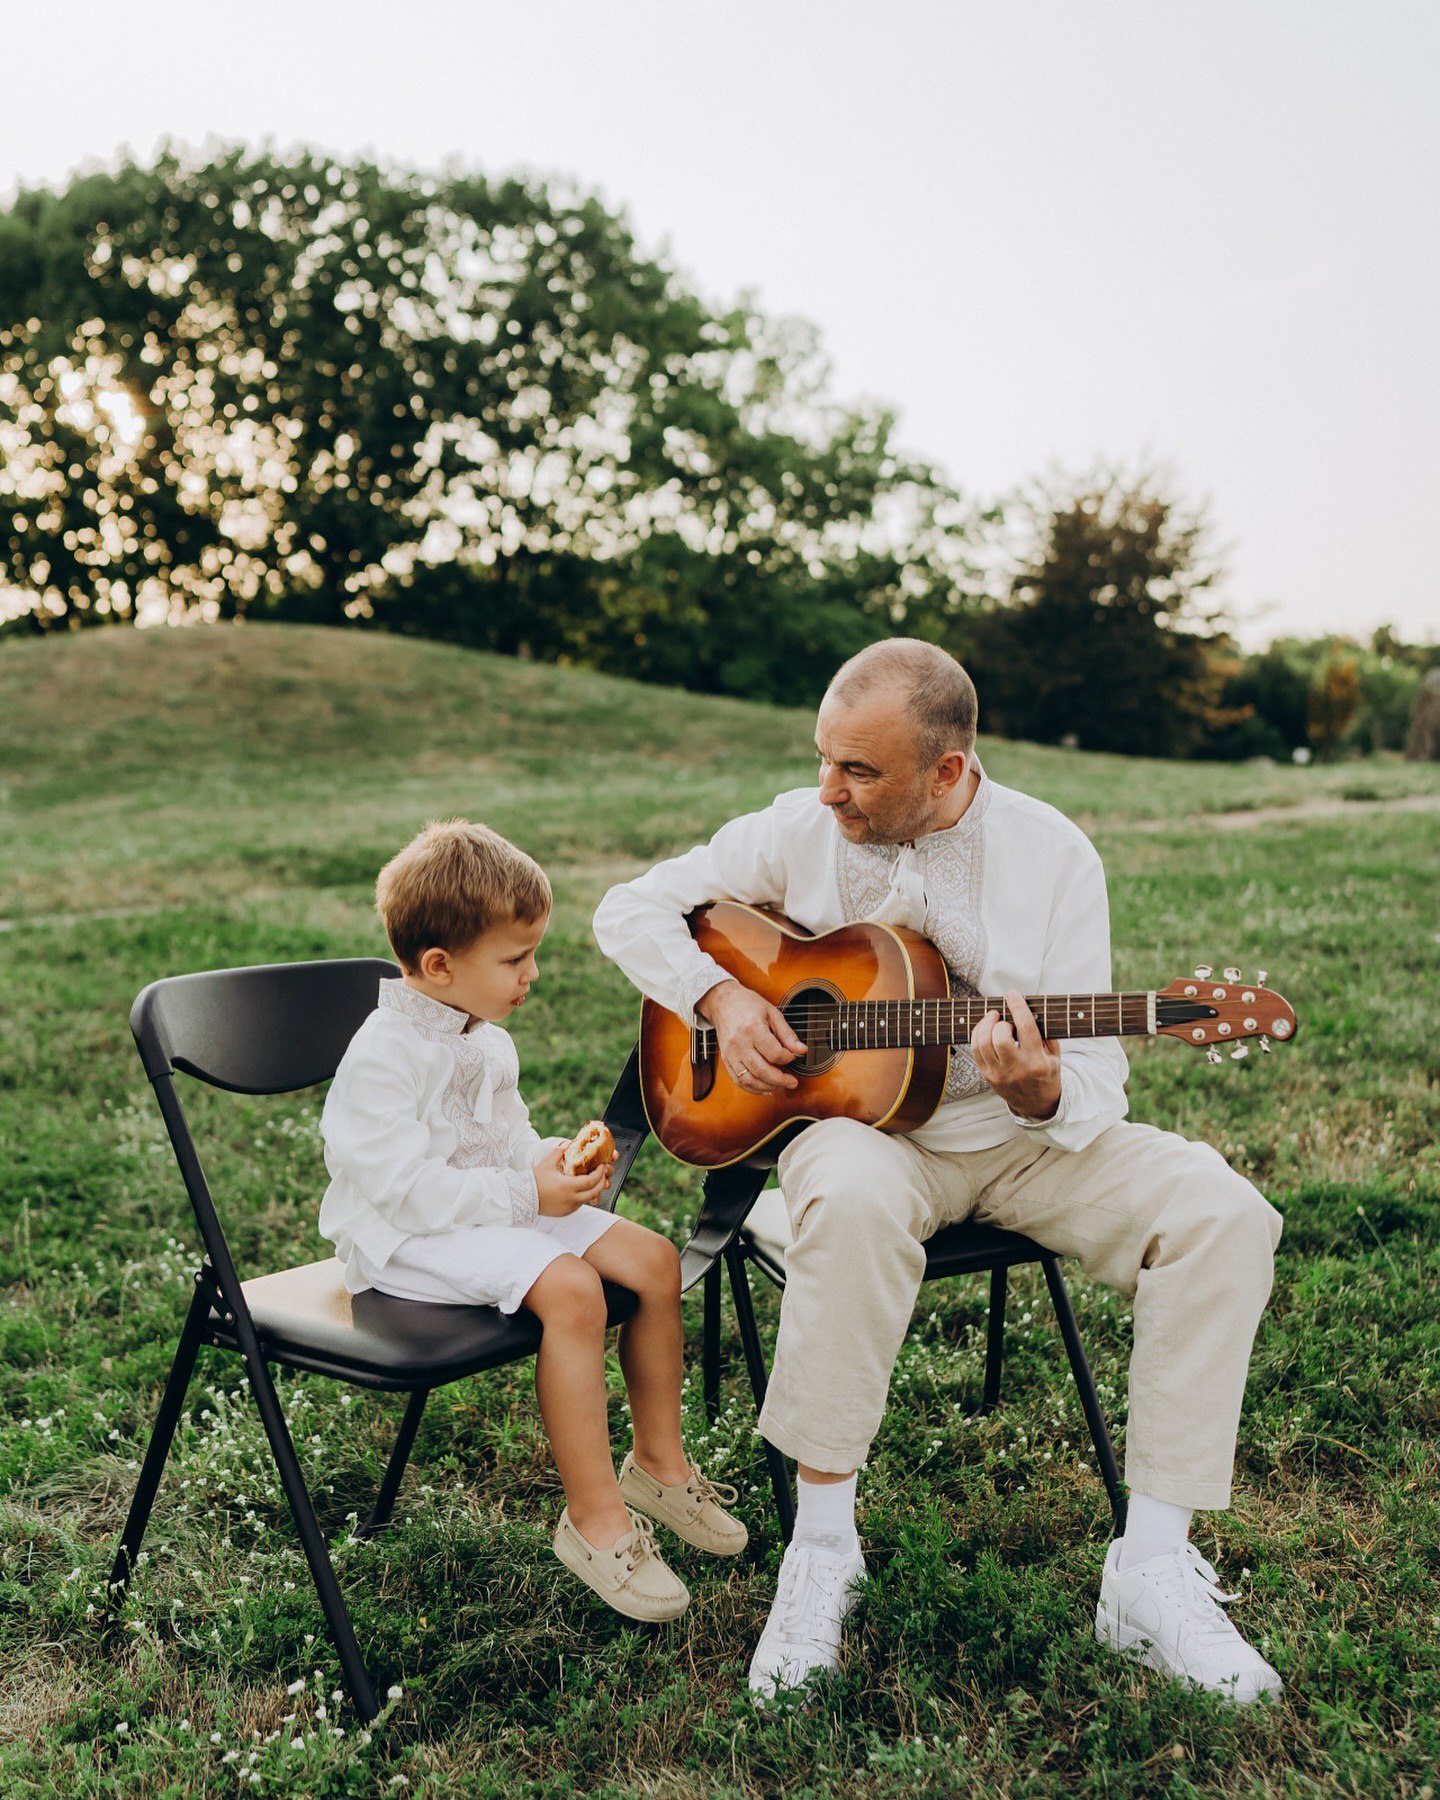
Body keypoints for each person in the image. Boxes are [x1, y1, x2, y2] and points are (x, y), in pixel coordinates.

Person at [593, 639, 1284, 1702]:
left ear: (949, 771)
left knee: (1223, 1215)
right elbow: (628, 909)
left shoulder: (1053, 858)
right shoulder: (799, 826)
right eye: (824, 759)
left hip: (1018, 1143)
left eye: (859, 771)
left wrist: (1039, 1089)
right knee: (854, 1201)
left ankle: (1149, 1568)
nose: (829, 791)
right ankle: (822, 1547)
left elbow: (1093, 1080)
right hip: (866, 1138)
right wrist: (721, 999)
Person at [320, 819, 746, 1622]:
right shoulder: (384, 1055)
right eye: (515, 960)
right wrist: (527, 1198)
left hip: (490, 1217)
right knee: (574, 1290)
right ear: (441, 967)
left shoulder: (488, 1040)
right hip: (402, 1239)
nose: (533, 975)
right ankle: (593, 1522)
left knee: (652, 1261)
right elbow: (400, 1189)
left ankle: (658, 1467)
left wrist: (554, 1163)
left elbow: (506, 1146)